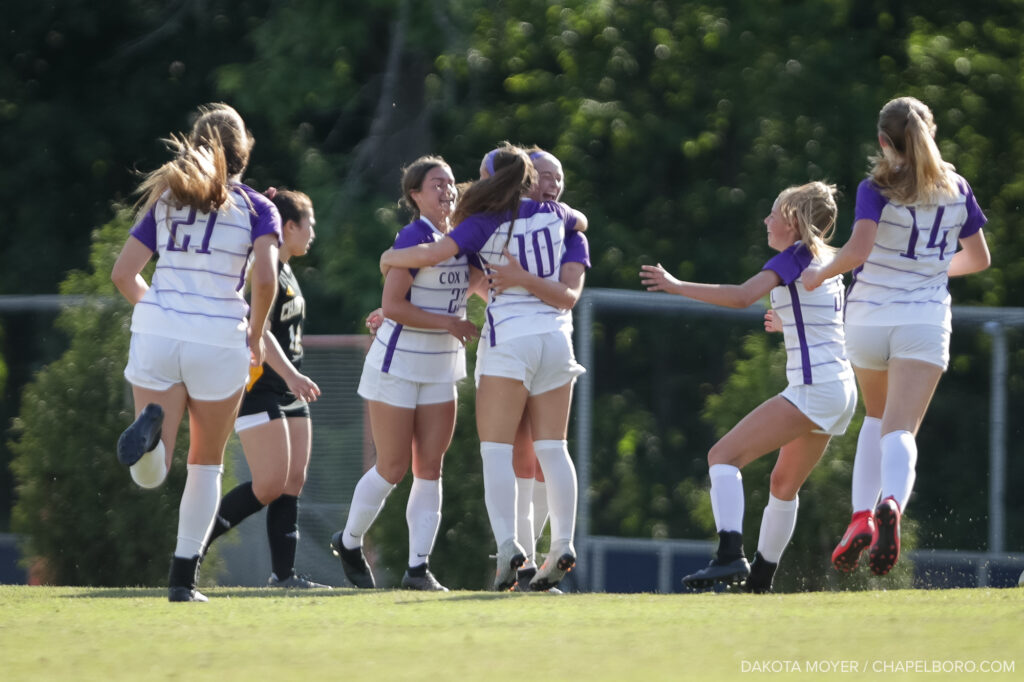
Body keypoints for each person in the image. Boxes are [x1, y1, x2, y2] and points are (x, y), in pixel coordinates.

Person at [380, 143, 590, 592]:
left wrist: (391, 259)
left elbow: (434, 256)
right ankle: (564, 543)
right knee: (553, 449)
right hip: (556, 340)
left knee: (495, 452)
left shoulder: (485, 221)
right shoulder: (559, 216)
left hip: (510, 341)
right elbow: (579, 222)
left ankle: (510, 547)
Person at [802, 97, 991, 576]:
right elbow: (979, 259)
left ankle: (862, 518)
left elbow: (859, 248)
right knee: (900, 430)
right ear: (930, 133)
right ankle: (891, 503)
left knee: (875, 417)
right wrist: (928, 269)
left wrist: (819, 272)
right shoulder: (958, 188)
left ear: (884, 142)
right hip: (923, 322)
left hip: (868, 320)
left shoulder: (875, 188)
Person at [640, 181, 857, 592]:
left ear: (793, 221)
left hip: (815, 387)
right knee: (783, 485)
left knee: (722, 456)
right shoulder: (829, 257)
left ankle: (729, 556)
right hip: (841, 390)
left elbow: (743, 297)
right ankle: (760, 580)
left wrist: (676, 285)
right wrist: (786, 322)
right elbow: (824, 320)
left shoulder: (795, 256)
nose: (766, 220)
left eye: (774, 213)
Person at [111, 103, 280, 602]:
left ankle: (149, 441)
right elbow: (266, 279)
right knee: (206, 463)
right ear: (244, 150)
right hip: (219, 340)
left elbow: (123, 274)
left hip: (159, 331)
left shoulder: (166, 197)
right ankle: (183, 582)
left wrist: (161, 309)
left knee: (154, 472)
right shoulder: (257, 208)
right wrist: (255, 336)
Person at [330, 156, 484, 591]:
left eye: (451, 183)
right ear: (414, 195)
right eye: (436, 184)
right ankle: (349, 539)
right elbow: (395, 305)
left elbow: (469, 285)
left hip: (440, 366)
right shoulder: (413, 236)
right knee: (393, 467)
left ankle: (419, 569)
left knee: (430, 467)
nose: (447, 191)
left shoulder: (460, 238)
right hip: (398, 362)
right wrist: (450, 322)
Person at [201, 188, 329, 589]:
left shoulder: (286, 268)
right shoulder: (264, 264)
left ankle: (284, 576)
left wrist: (292, 378)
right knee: (269, 482)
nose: (313, 232)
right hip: (261, 388)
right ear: (288, 226)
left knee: (292, 481)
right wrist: (291, 375)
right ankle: (194, 542)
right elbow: (259, 332)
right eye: (308, 223)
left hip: (288, 386)